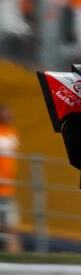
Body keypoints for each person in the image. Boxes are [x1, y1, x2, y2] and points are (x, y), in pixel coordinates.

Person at [0, 106, 20, 252]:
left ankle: (15, 254)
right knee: (9, 226)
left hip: (7, 188)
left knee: (11, 226)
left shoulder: (11, 132)